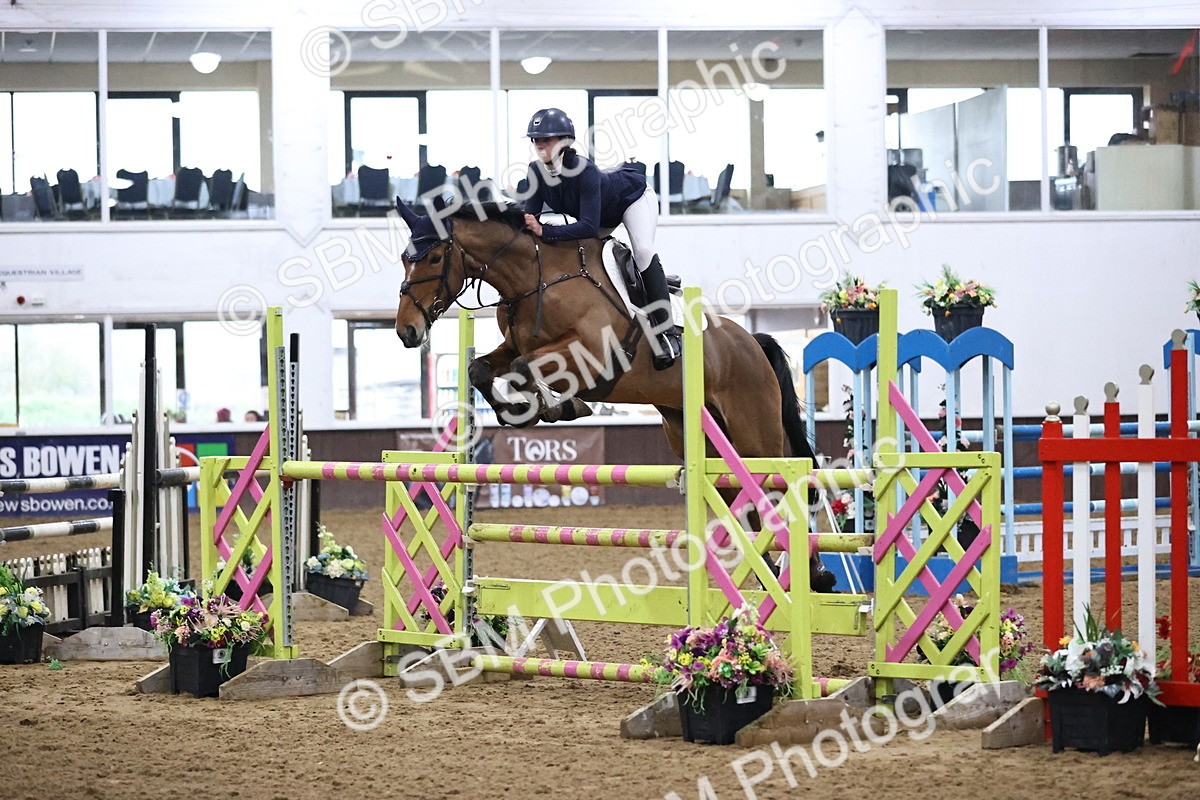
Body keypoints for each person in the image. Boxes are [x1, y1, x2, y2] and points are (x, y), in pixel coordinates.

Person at [520, 108, 680, 370]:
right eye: (536, 140)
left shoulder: (584, 170)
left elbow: (588, 226)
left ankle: (666, 332)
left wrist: (546, 231)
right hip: (598, 216)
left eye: (545, 140)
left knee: (642, 250)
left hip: (632, 199)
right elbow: (531, 217)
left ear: (563, 142)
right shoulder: (536, 172)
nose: (539, 145)